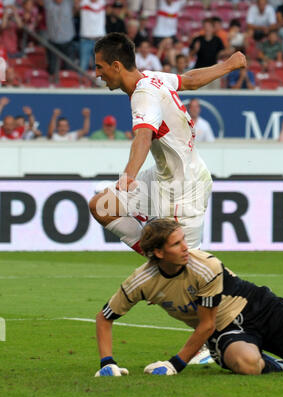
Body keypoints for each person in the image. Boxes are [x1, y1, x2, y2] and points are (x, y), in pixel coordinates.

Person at [89, 32, 246, 255]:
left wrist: (128, 176)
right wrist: (229, 65)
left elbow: (143, 137)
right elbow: (189, 81)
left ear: (115, 66)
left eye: (99, 67)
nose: (97, 74)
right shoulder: (151, 78)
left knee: (188, 274)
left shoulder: (143, 94)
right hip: (164, 179)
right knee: (102, 205)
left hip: (184, 189)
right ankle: (157, 256)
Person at [95, 218, 283, 377]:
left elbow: (205, 325)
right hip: (224, 331)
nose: (186, 247)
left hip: (261, 308)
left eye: (184, 239)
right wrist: (107, 362)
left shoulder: (205, 266)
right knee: (247, 364)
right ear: (158, 252)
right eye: (176, 243)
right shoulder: (141, 281)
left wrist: (174, 365)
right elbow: (104, 317)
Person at [77, 0, 106, 71]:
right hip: (85, 39)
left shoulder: (102, 2)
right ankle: (81, 82)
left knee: (99, 69)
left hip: (100, 40)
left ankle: (97, 82)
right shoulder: (83, 2)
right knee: (82, 66)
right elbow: (75, 5)